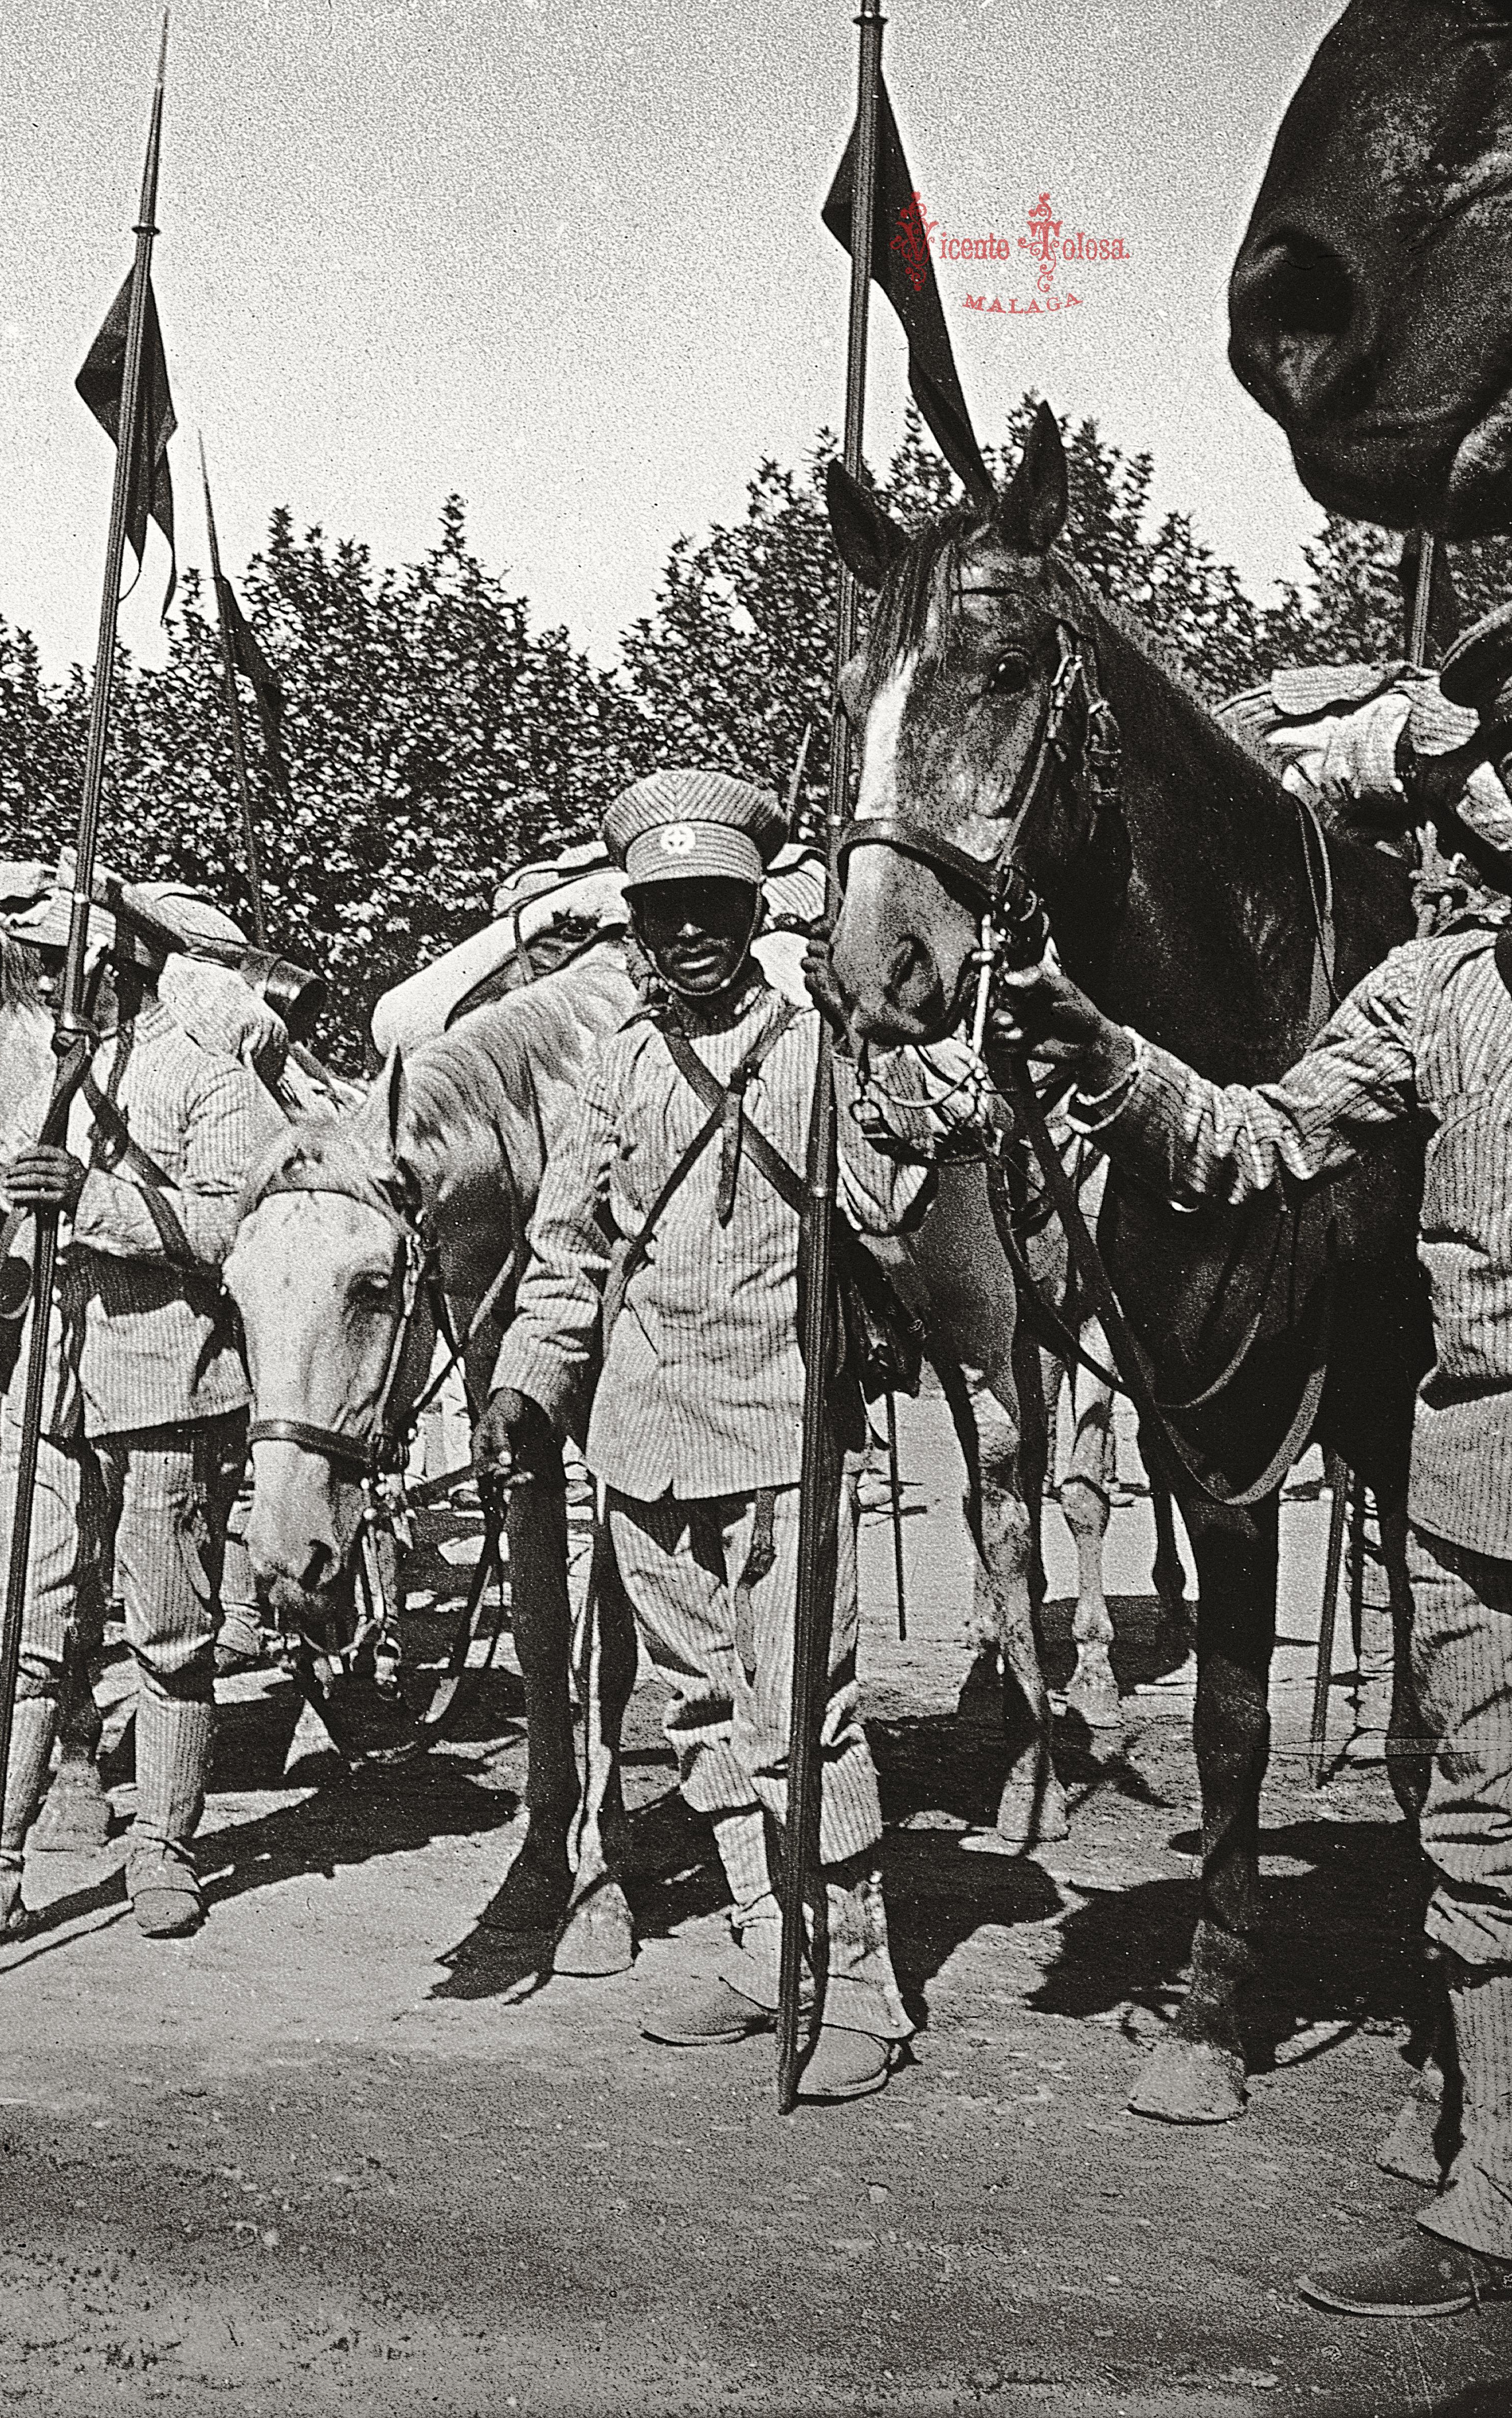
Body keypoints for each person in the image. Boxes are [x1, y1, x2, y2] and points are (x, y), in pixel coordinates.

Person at [991, 563, 1512, 2317]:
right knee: (1505, 1852)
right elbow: (1257, 1137)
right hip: (1490, 1504)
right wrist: (1107, 1053)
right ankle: (1511, 2204)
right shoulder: (1431, 995)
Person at [473, 768, 912, 2103]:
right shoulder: (607, 1073)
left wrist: (882, 1058)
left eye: (713, 908)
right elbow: (562, 1255)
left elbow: (896, 1201)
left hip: (782, 1436)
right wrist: (523, 1388)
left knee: (802, 1722)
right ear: (639, 927)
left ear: (752, 911)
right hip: (644, 1444)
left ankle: (868, 1986)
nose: (690, 936)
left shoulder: (822, 1052)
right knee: (703, 1717)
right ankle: (765, 1942)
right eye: (665, 914)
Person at [0, 893, 280, 1960]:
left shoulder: (208, 1078)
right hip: (48, 1384)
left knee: (167, 1631)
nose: (37, 980)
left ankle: (163, 1849)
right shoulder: (46, 1083)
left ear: (119, 964)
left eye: (56, 961)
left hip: (166, 1384)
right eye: (33, 961)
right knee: (12, 1633)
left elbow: (238, 1224)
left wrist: (95, 1199)